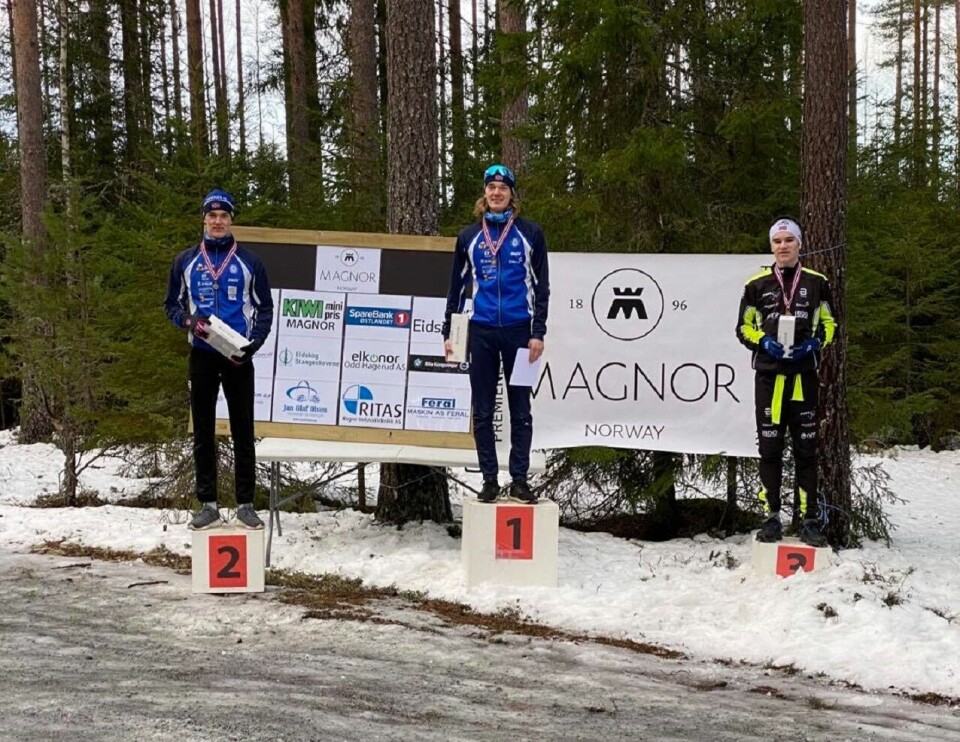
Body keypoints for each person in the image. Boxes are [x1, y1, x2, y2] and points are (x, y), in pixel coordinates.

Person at [164, 189, 274, 530]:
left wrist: (254, 343)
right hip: (203, 355)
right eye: (212, 216)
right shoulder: (185, 261)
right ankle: (208, 503)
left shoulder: (249, 262)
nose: (217, 221)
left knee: (244, 430)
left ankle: (245, 504)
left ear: (231, 220)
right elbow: (171, 305)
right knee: (204, 431)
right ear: (204, 219)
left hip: (238, 356)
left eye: (223, 216)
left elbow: (265, 308)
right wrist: (187, 321)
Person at [442, 164, 550, 504]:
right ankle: (489, 478)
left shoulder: (531, 234)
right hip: (483, 332)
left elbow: (541, 288)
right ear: (484, 194)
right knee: (484, 411)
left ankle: (519, 480)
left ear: (512, 195)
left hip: (520, 332)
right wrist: (450, 330)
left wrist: (538, 332)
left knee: (521, 410)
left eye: (503, 188)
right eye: (492, 187)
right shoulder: (469, 236)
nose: (497, 192)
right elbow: (457, 288)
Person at [735, 217, 837, 547]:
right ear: (771, 246)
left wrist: (816, 343)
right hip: (769, 378)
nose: (782, 246)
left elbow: (830, 324)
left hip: (803, 378)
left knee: (806, 450)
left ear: (799, 244)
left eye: (788, 240)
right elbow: (743, 328)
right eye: (777, 241)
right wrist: (762, 342)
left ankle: (807, 521)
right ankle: (771, 518)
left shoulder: (818, 282)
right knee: (770, 450)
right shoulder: (756, 284)